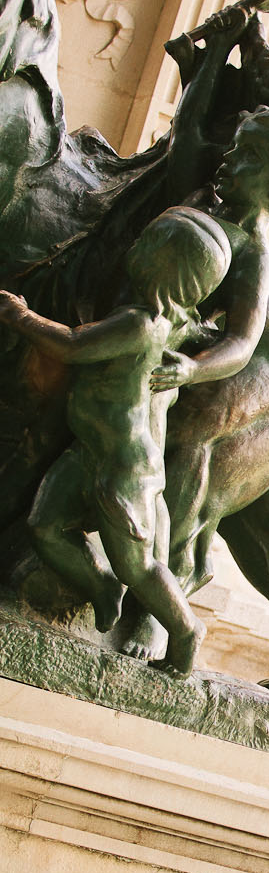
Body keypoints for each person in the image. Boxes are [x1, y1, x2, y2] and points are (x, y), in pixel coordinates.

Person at [0, 206, 232, 673]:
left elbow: (71, 343)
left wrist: (21, 316)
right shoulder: (149, 317)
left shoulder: (139, 324)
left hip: (124, 471)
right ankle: (104, 586)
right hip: (89, 451)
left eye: (148, 244)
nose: (136, 248)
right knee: (44, 525)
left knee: (141, 567)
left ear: (165, 268)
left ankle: (187, 632)